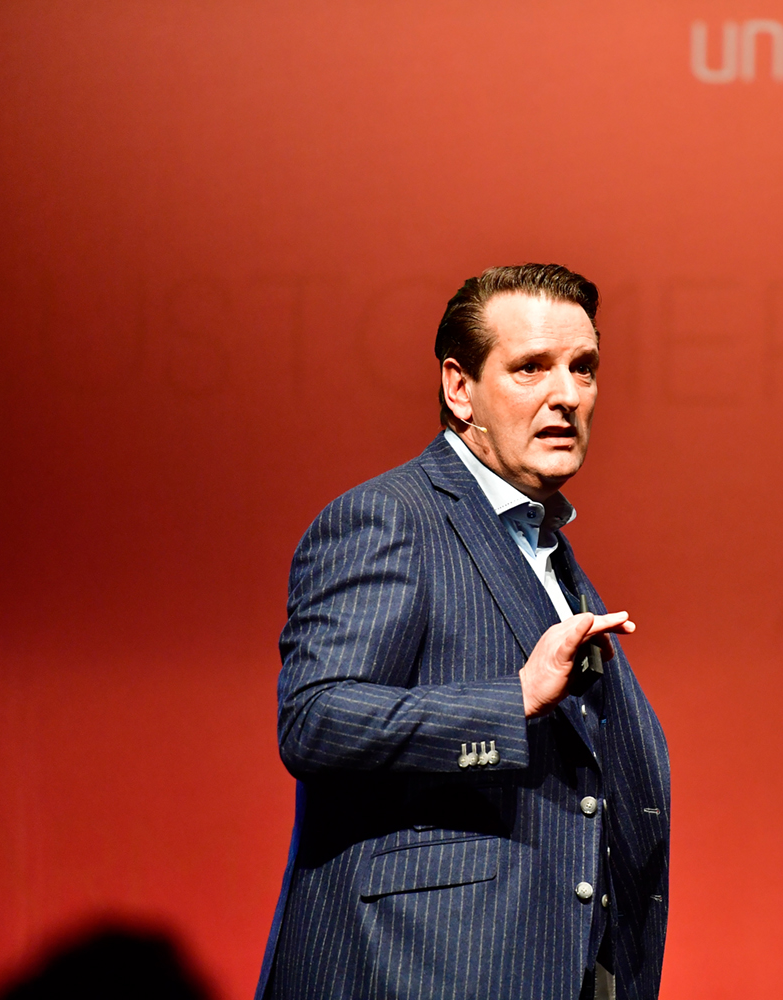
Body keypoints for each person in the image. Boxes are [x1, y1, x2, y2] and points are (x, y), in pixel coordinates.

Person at [255, 264, 671, 1000]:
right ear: (460, 388)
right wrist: (512, 701)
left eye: (583, 367)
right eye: (531, 367)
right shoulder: (390, 518)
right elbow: (315, 720)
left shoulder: (544, 550)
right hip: (416, 972)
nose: (567, 395)